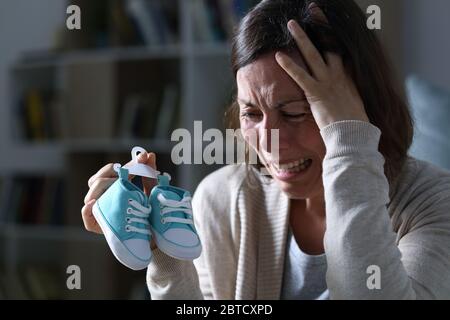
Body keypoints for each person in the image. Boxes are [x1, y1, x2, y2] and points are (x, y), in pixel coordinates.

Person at [81, 0, 450, 299]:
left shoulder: (434, 203)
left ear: (358, 106)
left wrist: (351, 140)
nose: (269, 139)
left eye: (295, 112)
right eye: (251, 113)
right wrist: (162, 249)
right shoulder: (223, 198)